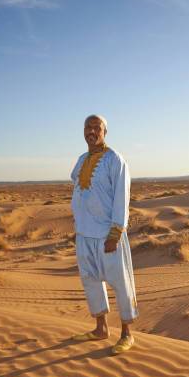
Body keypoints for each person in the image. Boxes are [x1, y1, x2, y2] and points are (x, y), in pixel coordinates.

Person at [70, 114, 138, 355]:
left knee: (120, 283)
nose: (91, 131)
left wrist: (116, 232)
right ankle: (100, 329)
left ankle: (127, 334)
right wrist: (77, 225)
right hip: (84, 233)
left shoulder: (115, 160)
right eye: (87, 127)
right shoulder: (80, 160)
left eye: (96, 127)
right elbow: (78, 191)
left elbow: (122, 197)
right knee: (90, 281)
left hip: (107, 234)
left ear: (104, 132)